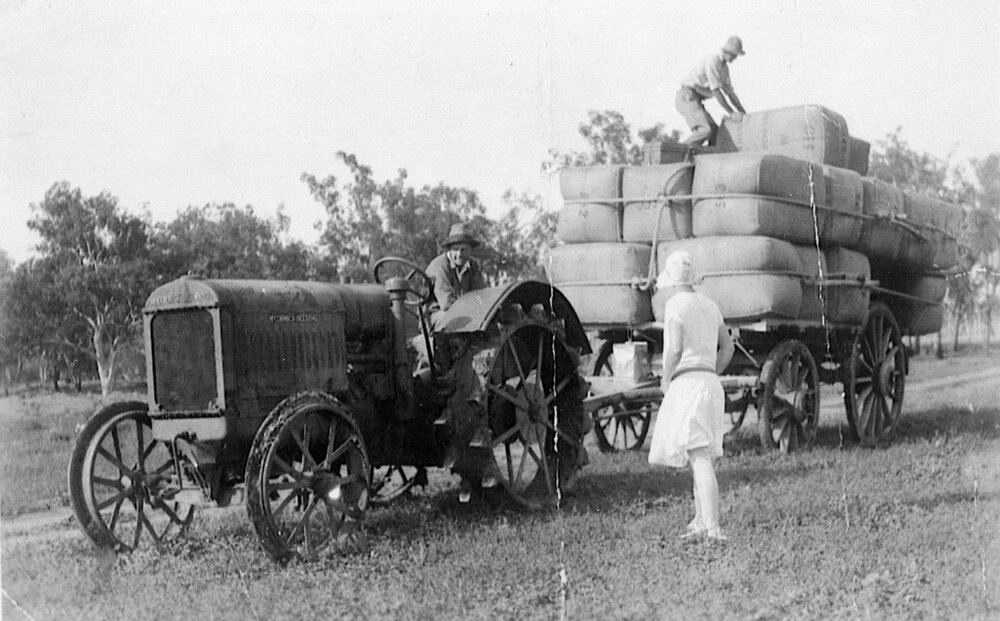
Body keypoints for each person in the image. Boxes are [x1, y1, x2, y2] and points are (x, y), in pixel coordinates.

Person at [647, 251, 735, 542]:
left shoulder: (675, 304)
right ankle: (699, 520)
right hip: (709, 381)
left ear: (671, 281)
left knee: (698, 457)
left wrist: (665, 377)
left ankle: (712, 527)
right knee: (700, 453)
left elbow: (673, 348)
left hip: (688, 383)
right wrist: (712, 369)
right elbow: (728, 347)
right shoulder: (710, 305)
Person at [675, 35, 748, 146]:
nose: (735, 58)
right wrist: (731, 113)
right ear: (728, 52)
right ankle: (676, 153)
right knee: (705, 130)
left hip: (696, 99)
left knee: (715, 133)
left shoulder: (724, 69)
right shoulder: (713, 60)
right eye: (734, 54)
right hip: (686, 97)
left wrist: (744, 113)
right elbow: (716, 91)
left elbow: (730, 94)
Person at [424, 222, 488, 329]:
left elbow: (480, 294)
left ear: (471, 250)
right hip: (433, 316)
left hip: (461, 311)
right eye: (455, 249)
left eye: (464, 249)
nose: (459, 254)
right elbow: (447, 303)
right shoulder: (439, 266)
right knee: (456, 321)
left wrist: (484, 307)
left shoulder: (473, 266)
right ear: (449, 249)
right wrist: (474, 310)